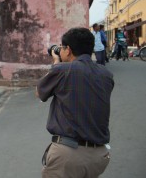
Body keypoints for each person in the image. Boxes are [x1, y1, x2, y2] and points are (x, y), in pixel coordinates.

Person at [36, 27, 114, 178]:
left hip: (68, 156)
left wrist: (56, 63)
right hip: (99, 157)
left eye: (62, 48)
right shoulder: (106, 75)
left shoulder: (62, 70)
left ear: (68, 50)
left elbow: (40, 93)